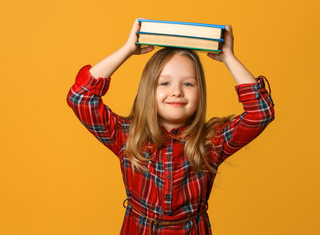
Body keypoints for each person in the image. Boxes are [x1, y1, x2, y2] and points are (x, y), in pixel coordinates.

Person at [66, 18, 275, 235]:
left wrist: (229, 58)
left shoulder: (211, 141)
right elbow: (80, 97)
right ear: (149, 89)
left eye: (188, 83)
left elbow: (261, 113)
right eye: (164, 83)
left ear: (200, 92)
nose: (177, 91)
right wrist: (127, 50)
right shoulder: (128, 135)